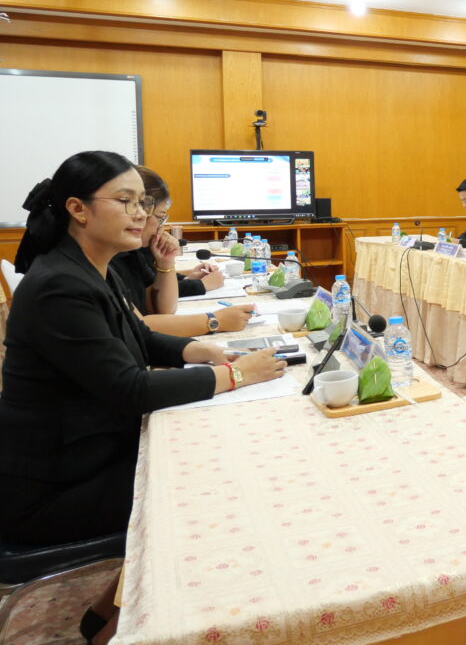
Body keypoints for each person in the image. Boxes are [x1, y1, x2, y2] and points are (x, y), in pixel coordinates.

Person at [1, 152, 284, 644]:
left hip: (87, 456)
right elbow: (130, 388)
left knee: (204, 454)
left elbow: (141, 337)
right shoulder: (59, 287)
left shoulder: (92, 268)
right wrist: (236, 375)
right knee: (210, 488)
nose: (141, 214)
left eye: (143, 203)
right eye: (126, 201)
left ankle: (105, 616)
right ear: (77, 209)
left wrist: (199, 350)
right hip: (52, 488)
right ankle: (142, 628)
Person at [109, 166, 253, 337]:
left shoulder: (131, 253)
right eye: (160, 217)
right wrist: (215, 320)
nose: (141, 217)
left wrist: (166, 262)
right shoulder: (107, 261)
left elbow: (163, 310)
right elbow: (138, 327)